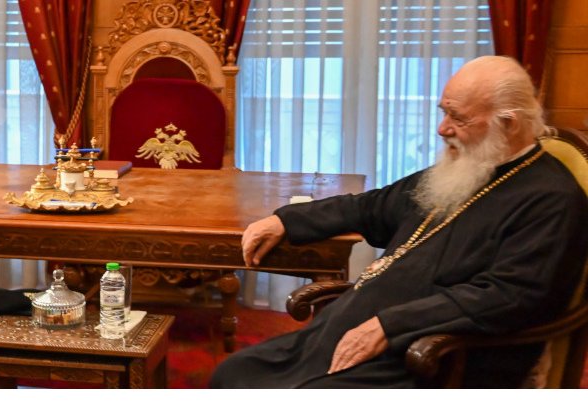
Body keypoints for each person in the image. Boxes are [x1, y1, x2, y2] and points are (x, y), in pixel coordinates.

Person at [211, 56, 588, 388]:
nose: (442, 128)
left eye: (458, 118)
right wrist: (285, 221)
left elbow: (509, 297)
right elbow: (371, 207)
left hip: (434, 357)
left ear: (509, 124)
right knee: (235, 373)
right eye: (443, 112)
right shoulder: (466, 167)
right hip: (359, 329)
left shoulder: (552, 200)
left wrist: (391, 325)